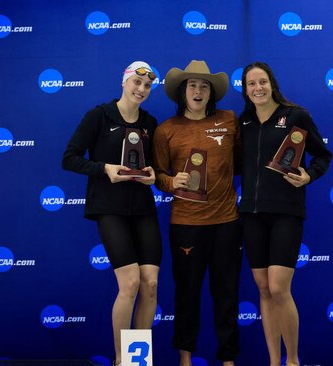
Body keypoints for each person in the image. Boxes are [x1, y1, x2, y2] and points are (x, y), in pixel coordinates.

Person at [62, 61, 161, 366]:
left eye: (146, 86)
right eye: (137, 83)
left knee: (151, 283)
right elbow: (70, 158)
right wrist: (104, 170)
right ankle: (123, 361)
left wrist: (153, 176)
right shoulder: (99, 116)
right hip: (109, 207)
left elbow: (153, 164)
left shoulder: (150, 122)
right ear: (124, 82)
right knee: (130, 283)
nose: (141, 90)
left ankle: (139, 360)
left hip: (142, 207)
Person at [239, 62, 331, 366]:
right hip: (251, 214)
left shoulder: (296, 116)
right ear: (245, 89)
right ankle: (274, 362)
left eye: (262, 81)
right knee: (264, 289)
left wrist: (308, 175)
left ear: (272, 83)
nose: (257, 88)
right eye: (251, 84)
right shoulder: (245, 122)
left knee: (279, 288)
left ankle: (293, 361)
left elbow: (323, 154)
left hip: (286, 213)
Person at [151, 60, 241, 366]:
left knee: (226, 295)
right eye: (192, 85)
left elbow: (240, 163)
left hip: (227, 223)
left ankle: (228, 360)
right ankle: (185, 361)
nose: (198, 91)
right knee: (187, 295)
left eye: (204, 86)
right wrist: (169, 181)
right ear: (182, 91)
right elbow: (158, 175)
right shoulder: (166, 130)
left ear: (212, 92)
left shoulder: (229, 121)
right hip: (186, 225)